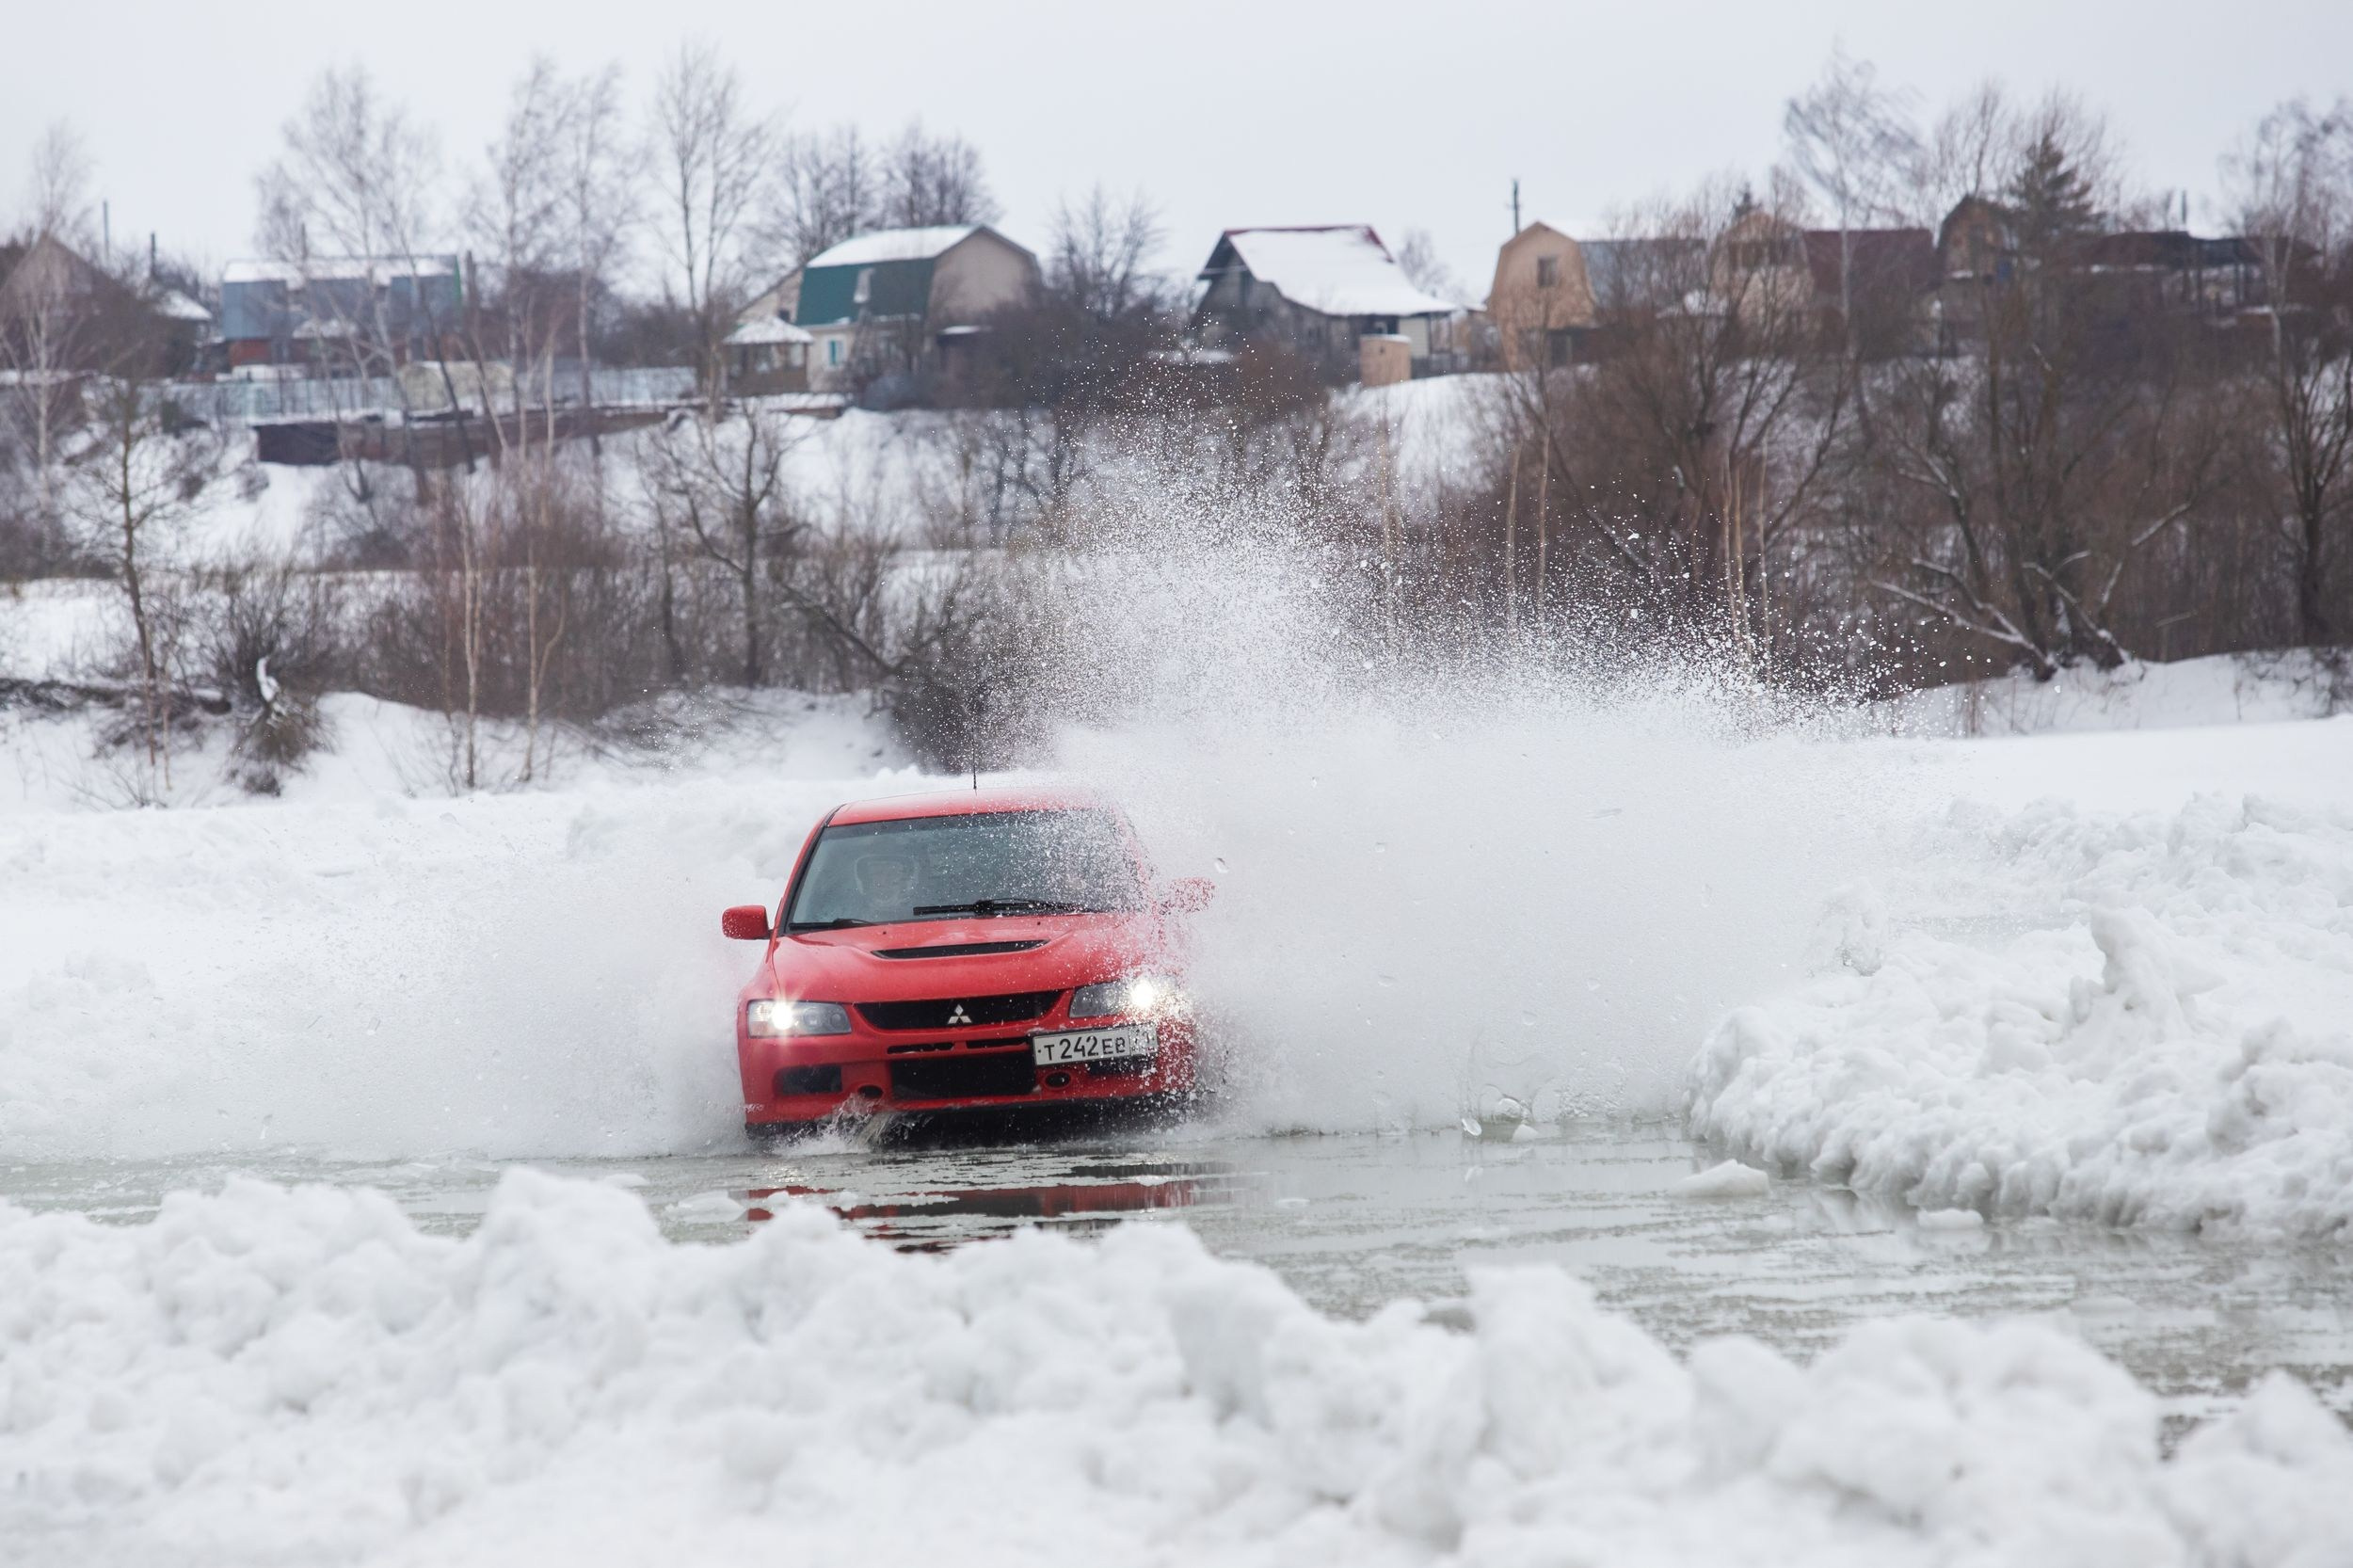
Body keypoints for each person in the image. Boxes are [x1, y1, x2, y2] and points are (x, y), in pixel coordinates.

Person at [852, 853, 918, 921]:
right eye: (877, 873)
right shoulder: (853, 910)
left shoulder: (918, 909)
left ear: (904, 879)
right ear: (867, 880)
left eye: (892, 873)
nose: (884, 880)